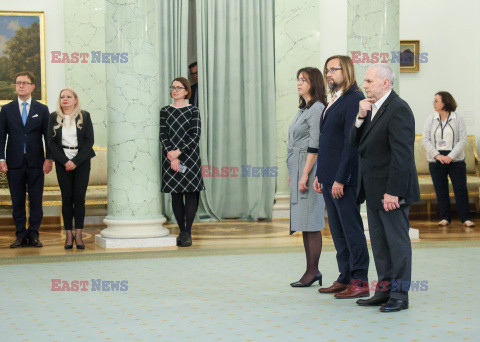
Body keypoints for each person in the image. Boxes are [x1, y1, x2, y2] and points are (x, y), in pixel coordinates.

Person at [350, 64, 420, 312]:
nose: (365, 85)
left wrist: (394, 192)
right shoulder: (370, 109)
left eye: (369, 81)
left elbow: (402, 156)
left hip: (392, 191)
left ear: (385, 83)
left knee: (397, 244)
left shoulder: (399, 109)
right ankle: (383, 291)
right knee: (379, 243)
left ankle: (400, 295)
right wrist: (359, 117)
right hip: (373, 189)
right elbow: (355, 145)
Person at [314, 56, 370, 298]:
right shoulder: (335, 98)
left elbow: (351, 143)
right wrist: (320, 175)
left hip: (343, 179)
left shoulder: (354, 98)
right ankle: (345, 277)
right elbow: (327, 141)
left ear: (346, 70)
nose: (328, 74)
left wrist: (340, 178)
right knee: (337, 231)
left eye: (333, 70)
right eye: (326, 70)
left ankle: (360, 281)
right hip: (328, 176)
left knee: (351, 230)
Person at [0, 71, 52, 248]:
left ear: (32, 87)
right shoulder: (6, 109)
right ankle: (21, 234)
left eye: (24, 82)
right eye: (18, 82)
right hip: (14, 163)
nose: (20, 85)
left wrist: (49, 159)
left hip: (36, 163)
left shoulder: (42, 109)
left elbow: (48, 137)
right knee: (17, 201)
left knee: (36, 200)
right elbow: (1, 137)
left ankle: (34, 234)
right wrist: (1, 158)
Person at [287, 67, 326, 287]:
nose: (299, 83)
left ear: (314, 83)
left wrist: (304, 174)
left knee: (311, 221)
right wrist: (294, 173)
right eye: (298, 79)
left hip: (310, 169)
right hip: (299, 167)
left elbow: (315, 144)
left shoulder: (318, 108)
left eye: (304, 80)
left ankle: (313, 271)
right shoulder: (304, 109)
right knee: (304, 221)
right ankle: (311, 270)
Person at [48, 88, 95, 249]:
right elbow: (51, 143)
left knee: (79, 198)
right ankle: (69, 235)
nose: (65, 99)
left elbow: (89, 141)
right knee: (66, 198)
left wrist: (75, 161)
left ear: (75, 99)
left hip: (81, 162)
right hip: (62, 163)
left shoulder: (85, 116)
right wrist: (65, 161)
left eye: (69, 97)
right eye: (62, 97)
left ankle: (79, 235)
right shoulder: (53, 117)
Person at [160, 77, 204, 247]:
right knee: (176, 194)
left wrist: (178, 152)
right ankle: (181, 230)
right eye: (173, 87)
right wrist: (172, 155)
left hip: (190, 158)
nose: (175, 90)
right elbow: (163, 135)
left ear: (186, 91)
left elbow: (195, 136)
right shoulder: (165, 111)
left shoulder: (193, 110)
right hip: (170, 158)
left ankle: (188, 232)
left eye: (179, 88)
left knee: (191, 193)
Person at [422, 92, 474, 227]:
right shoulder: (431, 118)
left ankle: (466, 218)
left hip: (455, 159)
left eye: (436, 101)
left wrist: (450, 156)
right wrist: (437, 155)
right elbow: (425, 139)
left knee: (460, 189)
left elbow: (462, 139)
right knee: (441, 189)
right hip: (436, 159)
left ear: (445, 102)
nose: (433, 104)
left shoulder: (457, 118)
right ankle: (445, 217)